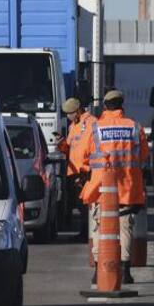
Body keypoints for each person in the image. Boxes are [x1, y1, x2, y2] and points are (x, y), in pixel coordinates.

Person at [81, 90, 150, 284]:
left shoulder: (95, 128)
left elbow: (84, 155)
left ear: (105, 106)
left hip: (100, 188)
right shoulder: (135, 127)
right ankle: (125, 271)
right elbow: (144, 156)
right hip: (127, 189)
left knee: (99, 228)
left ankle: (99, 270)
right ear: (122, 105)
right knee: (124, 228)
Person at [56, 97, 96, 241]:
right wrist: (61, 144)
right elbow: (69, 148)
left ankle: (87, 233)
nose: (68, 116)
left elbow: (94, 149)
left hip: (84, 172)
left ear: (78, 111)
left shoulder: (92, 123)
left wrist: (86, 171)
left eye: (70, 113)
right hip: (73, 172)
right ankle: (85, 232)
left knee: (85, 204)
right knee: (80, 205)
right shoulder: (74, 126)